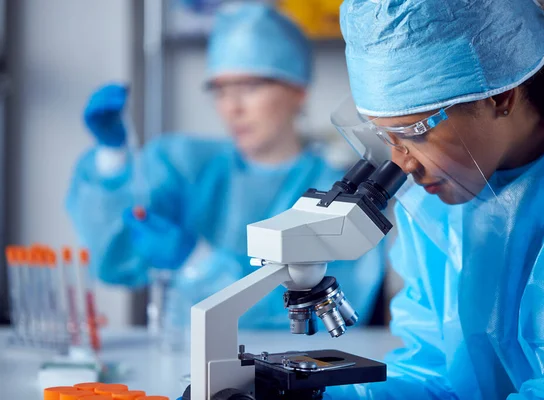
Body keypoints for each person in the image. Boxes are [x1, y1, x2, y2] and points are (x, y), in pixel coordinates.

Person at [325, 0, 544, 399]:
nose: (401, 164)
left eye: (414, 132)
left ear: (500, 96)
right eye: (386, 138)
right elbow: (433, 372)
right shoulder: (437, 207)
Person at [66, 3, 386, 330]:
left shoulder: (340, 194)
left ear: (298, 92)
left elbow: (332, 318)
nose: (232, 107)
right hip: (181, 360)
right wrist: (112, 158)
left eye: (249, 87)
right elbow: (115, 260)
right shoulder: (186, 167)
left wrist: (196, 262)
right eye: (221, 89)